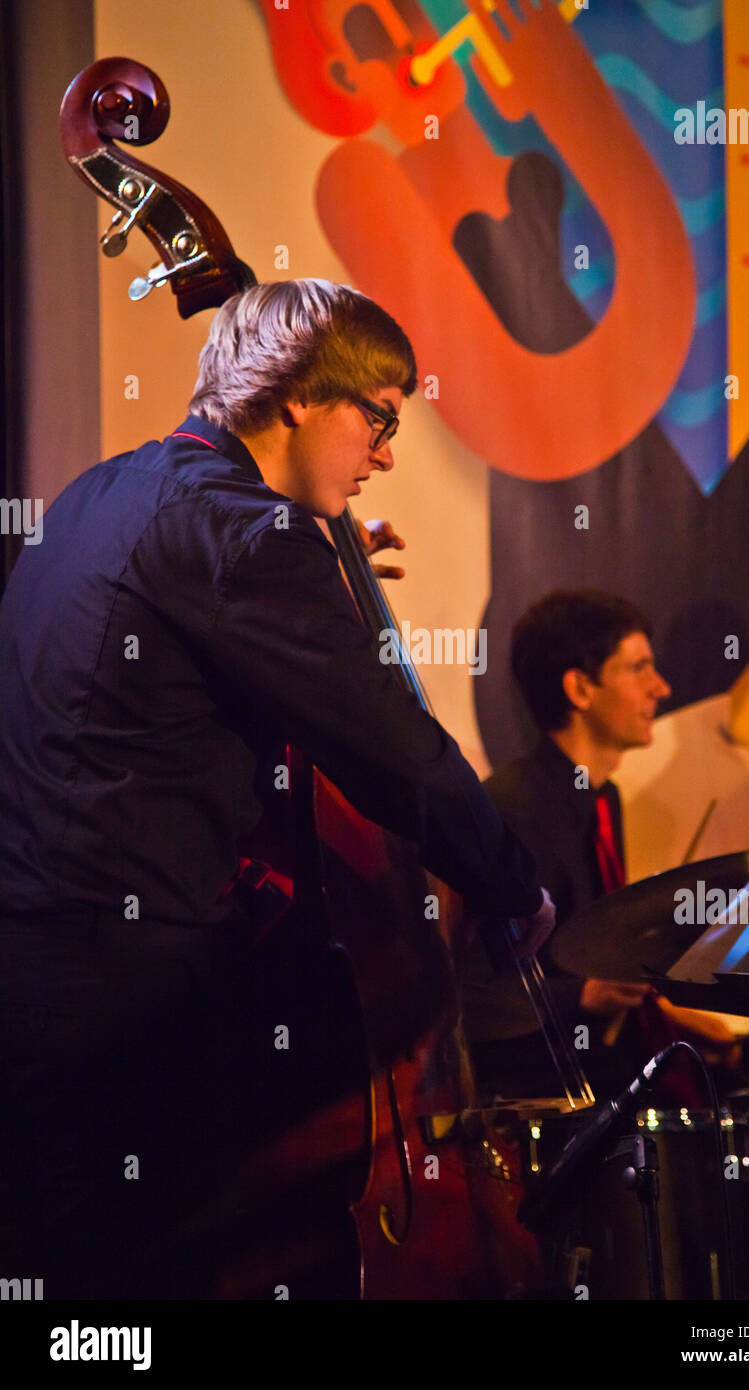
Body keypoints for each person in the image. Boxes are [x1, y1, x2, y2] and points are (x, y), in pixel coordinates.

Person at [0, 279, 555, 1299]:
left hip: (35, 975)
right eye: (378, 416)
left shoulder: (97, 495)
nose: (384, 451)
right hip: (134, 1001)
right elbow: (395, 753)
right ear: (299, 396)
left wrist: (318, 594)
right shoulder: (248, 538)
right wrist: (514, 885)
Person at [463, 589, 673, 1101]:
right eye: (639, 669)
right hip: (534, 1096)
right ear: (580, 688)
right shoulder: (508, 807)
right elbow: (467, 991)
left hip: (600, 1076)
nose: (661, 688)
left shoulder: (606, 799)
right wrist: (581, 995)